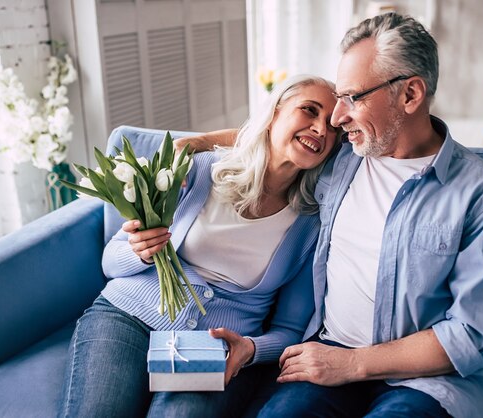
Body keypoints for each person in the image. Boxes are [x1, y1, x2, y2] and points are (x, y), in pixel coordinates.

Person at [184, 12, 483, 418]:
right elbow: (279, 132)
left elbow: (474, 335)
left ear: (410, 95)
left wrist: (353, 364)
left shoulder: (480, 194)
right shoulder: (345, 153)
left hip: (429, 383)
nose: (337, 118)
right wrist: (200, 141)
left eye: (353, 98)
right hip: (330, 355)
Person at [58, 74, 341, 418]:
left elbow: (291, 329)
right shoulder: (197, 170)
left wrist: (249, 350)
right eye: (309, 111)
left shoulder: (312, 223)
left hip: (212, 346)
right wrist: (139, 250)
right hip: (125, 317)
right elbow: (111, 263)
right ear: (275, 113)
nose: (321, 129)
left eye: (332, 125)